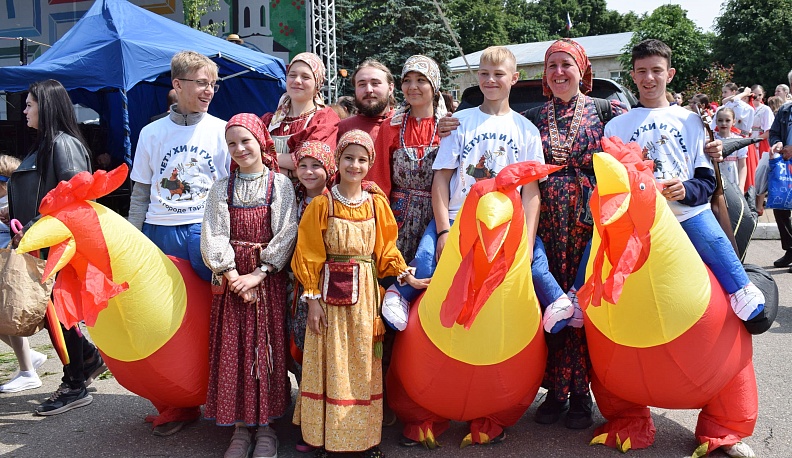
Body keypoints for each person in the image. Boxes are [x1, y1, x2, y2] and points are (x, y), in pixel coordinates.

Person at [604, 41, 764, 458]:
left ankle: (742, 290)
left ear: (669, 74)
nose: (649, 78)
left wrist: (685, 190)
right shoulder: (617, 125)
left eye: (656, 70)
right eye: (641, 71)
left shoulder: (690, 121)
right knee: (596, 257)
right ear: (632, 75)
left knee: (714, 241)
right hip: (636, 222)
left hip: (685, 214)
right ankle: (579, 297)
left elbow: (706, 180)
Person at [291, 130, 427, 458]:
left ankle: (363, 438)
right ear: (337, 161)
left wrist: (405, 274)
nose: (355, 165)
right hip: (328, 295)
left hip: (365, 295)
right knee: (332, 362)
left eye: (362, 159)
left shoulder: (376, 204)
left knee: (364, 363)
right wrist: (313, 301)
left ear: (370, 164)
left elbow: (386, 250)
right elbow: (308, 253)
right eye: (348, 158)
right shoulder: (322, 205)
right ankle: (327, 437)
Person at [129, 50, 230, 436]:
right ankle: (177, 402)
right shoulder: (151, 133)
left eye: (213, 84)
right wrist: (134, 244)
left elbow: (230, 189)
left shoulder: (222, 130)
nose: (209, 91)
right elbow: (140, 193)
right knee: (165, 318)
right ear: (178, 84)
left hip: (206, 231)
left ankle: (222, 393)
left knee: (216, 315)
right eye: (202, 83)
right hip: (160, 231)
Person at [6, 79, 107, 414]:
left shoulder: (62, 145)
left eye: (29, 105)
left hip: (57, 246)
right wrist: (14, 213)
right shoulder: (49, 144)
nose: (24, 111)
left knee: (58, 315)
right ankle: (86, 361)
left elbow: (74, 199)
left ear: (46, 107)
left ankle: (75, 384)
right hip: (43, 243)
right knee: (56, 315)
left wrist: (31, 226)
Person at [200, 113, 297, 458]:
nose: (240, 149)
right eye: (232, 144)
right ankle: (240, 427)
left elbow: (286, 231)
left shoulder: (279, 185)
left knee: (265, 350)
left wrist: (258, 274)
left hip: (266, 281)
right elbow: (213, 233)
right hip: (232, 283)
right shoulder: (221, 187)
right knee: (235, 349)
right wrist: (232, 277)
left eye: (246, 141)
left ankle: (267, 427)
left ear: (260, 141)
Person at [373, 55, 445, 258]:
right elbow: (379, 177)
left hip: (437, 219)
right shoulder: (391, 126)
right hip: (397, 218)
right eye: (407, 80)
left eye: (421, 80)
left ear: (434, 85)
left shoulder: (448, 126)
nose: (413, 86)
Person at [0, 154, 48, 394]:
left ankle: (28, 372)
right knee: (4, 320)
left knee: (9, 320)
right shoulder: (11, 201)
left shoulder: (9, 203)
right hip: (6, 265)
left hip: (8, 268)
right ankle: (29, 358)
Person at [262, 52, 339, 178]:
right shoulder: (268, 121)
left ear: (317, 84)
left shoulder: (325, 119)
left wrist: (264, 158)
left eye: (305, 77)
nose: (297, 81)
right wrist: (292, 171)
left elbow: (312, 160)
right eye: (292, 75)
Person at [337, 59, 396, 142]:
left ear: (390, 88)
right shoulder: (341, 130)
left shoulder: (405, 125)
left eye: (375, 83)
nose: (368, 90)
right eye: (362, 84)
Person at [767, 69, 792, 269]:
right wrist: (777, 143)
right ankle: (790, 249)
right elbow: (774, 133)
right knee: (780, 206)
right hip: (785, 166)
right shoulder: (785, 110)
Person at [715, 107, 748, 190]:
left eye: (727, 120)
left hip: (732, 179)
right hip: (715, 179)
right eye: (720, 120)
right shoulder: (711, 139)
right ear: (716, 121)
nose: (723, 123)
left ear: (734, 121)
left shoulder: (738, 140)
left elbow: (742, 166)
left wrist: (741, 186)